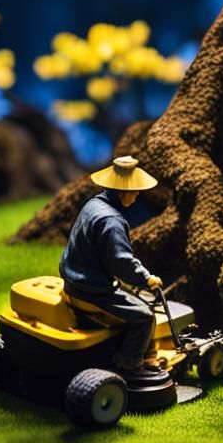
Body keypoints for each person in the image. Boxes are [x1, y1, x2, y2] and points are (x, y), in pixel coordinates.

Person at [59, 154, 165, 375]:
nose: (137, 195)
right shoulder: (112, 221)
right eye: (134, 190)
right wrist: (146, 278)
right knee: (145, 316)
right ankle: (130, 365)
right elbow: (121, 262)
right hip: (92, 288)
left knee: (134, 300)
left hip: (73, 279)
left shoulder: (93, 204)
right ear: (123, 191)